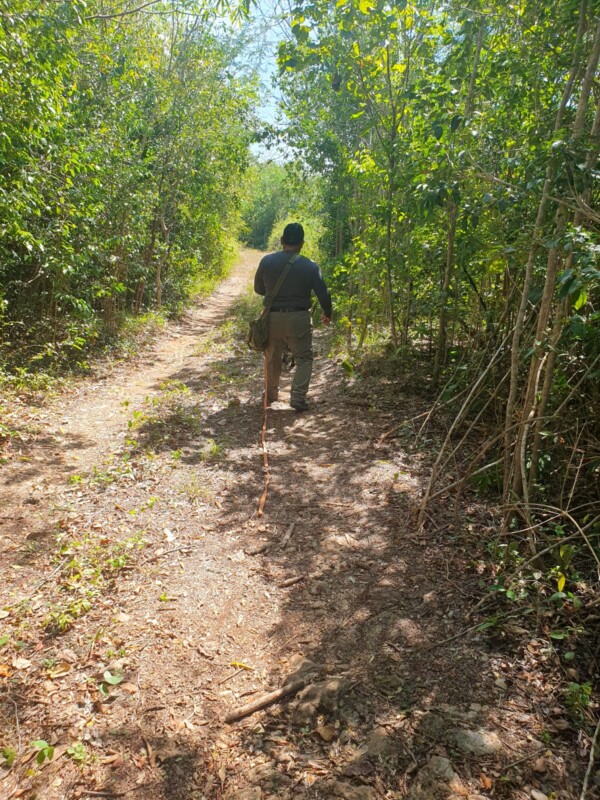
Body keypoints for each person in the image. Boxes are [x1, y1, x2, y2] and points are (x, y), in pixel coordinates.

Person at [254, 222, 332, 412]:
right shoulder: (311, 266)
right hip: (299, 319)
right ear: (302, 243)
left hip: (272, 318)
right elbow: (323, 294)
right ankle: (297, 397)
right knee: (304, 358)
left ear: (281, 240)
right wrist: (327, 313)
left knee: (272, 357)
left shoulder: (267, 261)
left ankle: (271, 394)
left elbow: (258, 289)